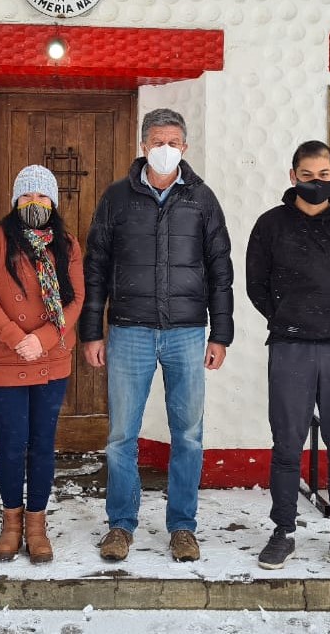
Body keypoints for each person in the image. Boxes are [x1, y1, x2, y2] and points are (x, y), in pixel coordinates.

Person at [80, 107, 234, 563]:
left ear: (184, 148)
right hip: (129, 332)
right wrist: (93, 331)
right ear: (144, 146)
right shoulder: (116, 198)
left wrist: (219, 333)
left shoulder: (202, 199)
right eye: (157, 141)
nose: (165, 150)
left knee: (187, 435)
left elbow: (219, 269)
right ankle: (120, 526)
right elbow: (96, 269)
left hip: (187, 334)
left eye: (174, 142)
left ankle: (183, 527)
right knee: (121, 436)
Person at [246, 140, 330, 571]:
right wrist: (288, 319)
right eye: (307, 175)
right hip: (289, 347)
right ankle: (283, 531)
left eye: (324, 175)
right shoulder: (270, 225)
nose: (316, 183)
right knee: (286, 445)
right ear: (293, 176)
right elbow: (256, 285)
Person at [0, 165, 85, 564]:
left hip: (50, 359)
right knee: (12, 445)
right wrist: (18, 339)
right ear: (15, 201)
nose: (34, 204)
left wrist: (44, 339)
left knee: (42, 445)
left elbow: (75, 300)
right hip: (5, 358)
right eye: (27, 196)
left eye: (41, 197)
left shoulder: (67, 244)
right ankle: (11, 522)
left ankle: (36, 523)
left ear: (52, 202)